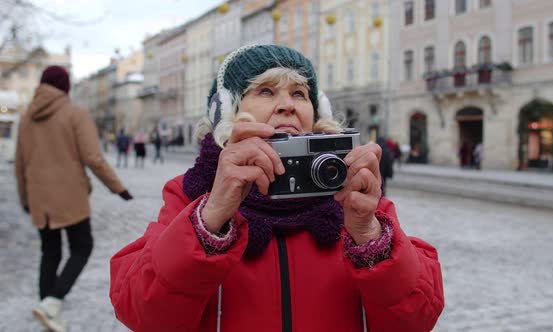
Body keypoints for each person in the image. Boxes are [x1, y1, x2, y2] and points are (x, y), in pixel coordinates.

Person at [109, 45, 444, 332]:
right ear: (228, 110)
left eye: (299, 94)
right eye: (266, 91)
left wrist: (369, 235)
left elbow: (416, 318)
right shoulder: (192, 194)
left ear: (316, 111)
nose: (288, 105)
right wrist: (210, 220)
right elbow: (144, 314)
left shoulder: (351, 192)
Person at [15, 66, 134, 332]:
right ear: (65, 86)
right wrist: (119, 188)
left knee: (50, 251)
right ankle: (53, 302)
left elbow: (20, 164)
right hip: (70, 196)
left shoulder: (26, 117)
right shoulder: (75, 113)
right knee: (83, 246)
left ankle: (48, 307)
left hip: (38, 196)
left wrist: (25, 198)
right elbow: (93, 157)